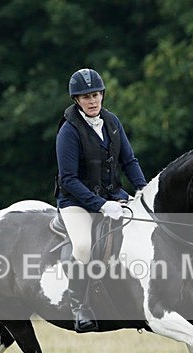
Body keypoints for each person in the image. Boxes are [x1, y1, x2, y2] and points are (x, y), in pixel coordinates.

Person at [55, 67, 147, 333]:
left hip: (113, 196)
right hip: (76, 202)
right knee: (83, 246)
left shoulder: (112, 122)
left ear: (102, 94)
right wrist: (101, 205)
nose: (92, 101)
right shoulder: (69, 131)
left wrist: (142, 190)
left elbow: (129, 161)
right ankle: (79, 306)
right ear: (76, 101)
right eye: (86, 97)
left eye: (95, 95)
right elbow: (68, 179)